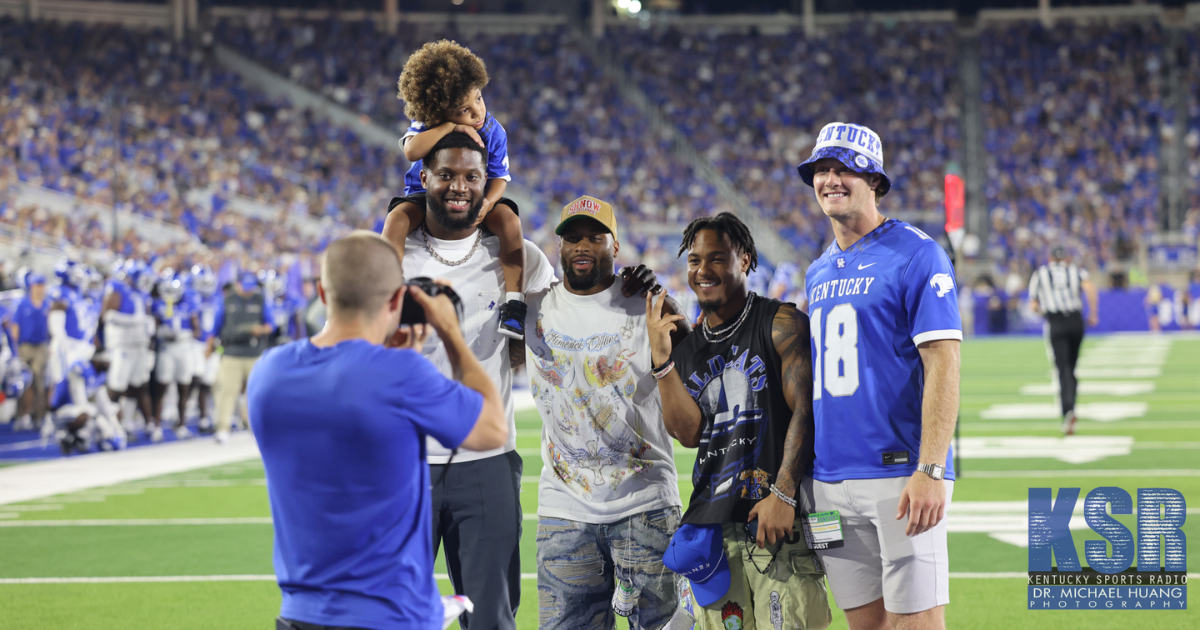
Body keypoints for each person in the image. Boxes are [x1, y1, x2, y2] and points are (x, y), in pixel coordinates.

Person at [248, 230, 508, 630]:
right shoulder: (402, 375)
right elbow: (492, 429)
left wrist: (395, 362)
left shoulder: (269, 371)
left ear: (322, 292)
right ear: (396, 298)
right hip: (389, 615)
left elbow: (351, 420)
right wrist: (451, 334)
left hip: (300, 615)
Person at [796, 122, 961, 630]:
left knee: (916, 624)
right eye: (822, 169)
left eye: (844, 168)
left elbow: (944, 362)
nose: (830, 179)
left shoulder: (917, 253)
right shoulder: (818, 269)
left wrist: (931, 468)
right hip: (828, 483)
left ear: (875, 181)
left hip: (899, 477)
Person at [649, 213, 831, 630]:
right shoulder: (688, 347)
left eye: (716, 258)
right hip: (714, 535)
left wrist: (783, 494)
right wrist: (661, 361)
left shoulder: (781, 322)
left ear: (745, 259)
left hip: (776, 525)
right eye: (694, 261)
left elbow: (808, 409)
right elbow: (688, 434)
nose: (702, 270)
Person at [521, 196, 689, 630]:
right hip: (564, 508)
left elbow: (694, 361)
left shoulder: (646, 303)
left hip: (645, 502)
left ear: (615, 246)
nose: (582, 246)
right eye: (572, 237)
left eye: (595, 237)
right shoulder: (533, 307)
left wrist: (673, 310)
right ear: (558, 247)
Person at [384, 39, 527, 339]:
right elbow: (411, 152)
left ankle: (514, 306)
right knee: (396, 221)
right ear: (440, 112)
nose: (477, 112)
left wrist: (487, 205)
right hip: (425, 196)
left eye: (478, 98)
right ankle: (390, 293)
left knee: (510, 221)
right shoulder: (428, 123)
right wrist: (449, 127)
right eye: (464, 109)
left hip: (476, 197)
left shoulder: (493, 130)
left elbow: (500, 177)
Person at [1027, 246, 1098, 435]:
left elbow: (1033, 305)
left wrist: (1046, 314)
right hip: (1075, 320)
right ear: (1066, 258)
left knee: (1062, 368)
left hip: (1056, 321)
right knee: (1072, 368)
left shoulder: (1041, 274)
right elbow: (1090, 288)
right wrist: (1093, 313)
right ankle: (1072, 406)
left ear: (1050, 258)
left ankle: (1067, 409)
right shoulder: (1076, 271)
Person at [213, 272, 275, 445]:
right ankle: (223, 428)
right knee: (227, 391)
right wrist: (210, 343)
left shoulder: (260, 299)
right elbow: (217, 325)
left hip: (254, 352)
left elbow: (271, 325)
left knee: (254, 393)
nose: (248, 291)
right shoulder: (227, 299)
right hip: (231, 351)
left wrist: (260, 330)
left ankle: (254, 427)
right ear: (237, 284)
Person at [151, 269, 199, 440]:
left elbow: (197, 329)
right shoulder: (158, 304)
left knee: (183, 387)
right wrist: (161, 332)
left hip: (183, 347)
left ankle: (182, 425)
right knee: (161, 387)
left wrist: (185, 334)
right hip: (166, 348)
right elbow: (153, 329)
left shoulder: (188, 302)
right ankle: (156, 426)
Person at [9, 272, 50, 432]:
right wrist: (16, 349)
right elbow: (15, 327)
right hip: (25, 347)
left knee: (40, 383)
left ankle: (39, 417)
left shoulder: (47, 303)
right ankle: (22, 416)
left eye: (42, 285)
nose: (40, 289)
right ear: (31, 287)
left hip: (41, 346)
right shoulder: (22, 304)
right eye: (37, 285)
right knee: (24, 382)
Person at [190, 264, 223, 433]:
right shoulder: (191, 295)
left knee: (208, 382)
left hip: (213, 344)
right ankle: (189, 410)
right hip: (195, 343)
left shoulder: (218, 298)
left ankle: (204, 417)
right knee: (194, 378)